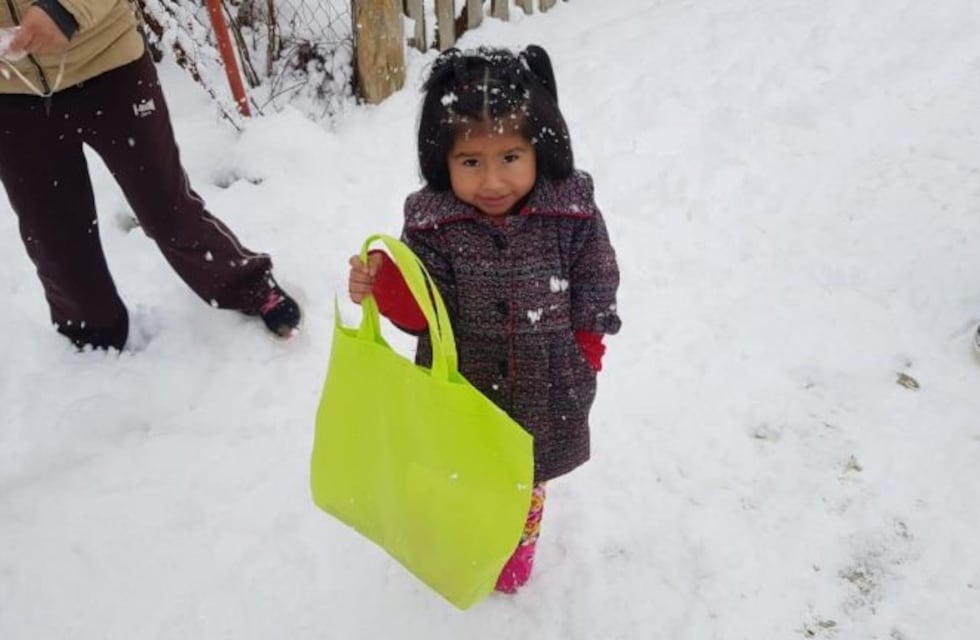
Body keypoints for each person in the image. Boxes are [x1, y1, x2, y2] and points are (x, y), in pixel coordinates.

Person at [347, 45, 621, 594]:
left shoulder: (571, 212)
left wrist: (586, 347)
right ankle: (470, 532)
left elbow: (597, 278)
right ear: (442, 161)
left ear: (539, 149)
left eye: (510, 158)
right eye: (471, 163)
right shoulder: (434, 224)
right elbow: (425, 311)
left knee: (526, 474)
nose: (492, 181)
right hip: (464, 381)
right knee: (465, 469)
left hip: (547, 379)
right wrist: (387, 283)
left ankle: (517, 545)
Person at [0, 0, 301, 351]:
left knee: (167, 210)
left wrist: (63, 10)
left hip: (108, 65)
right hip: (12, 95)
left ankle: (248, 285)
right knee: (51, 233)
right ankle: (89, 332)